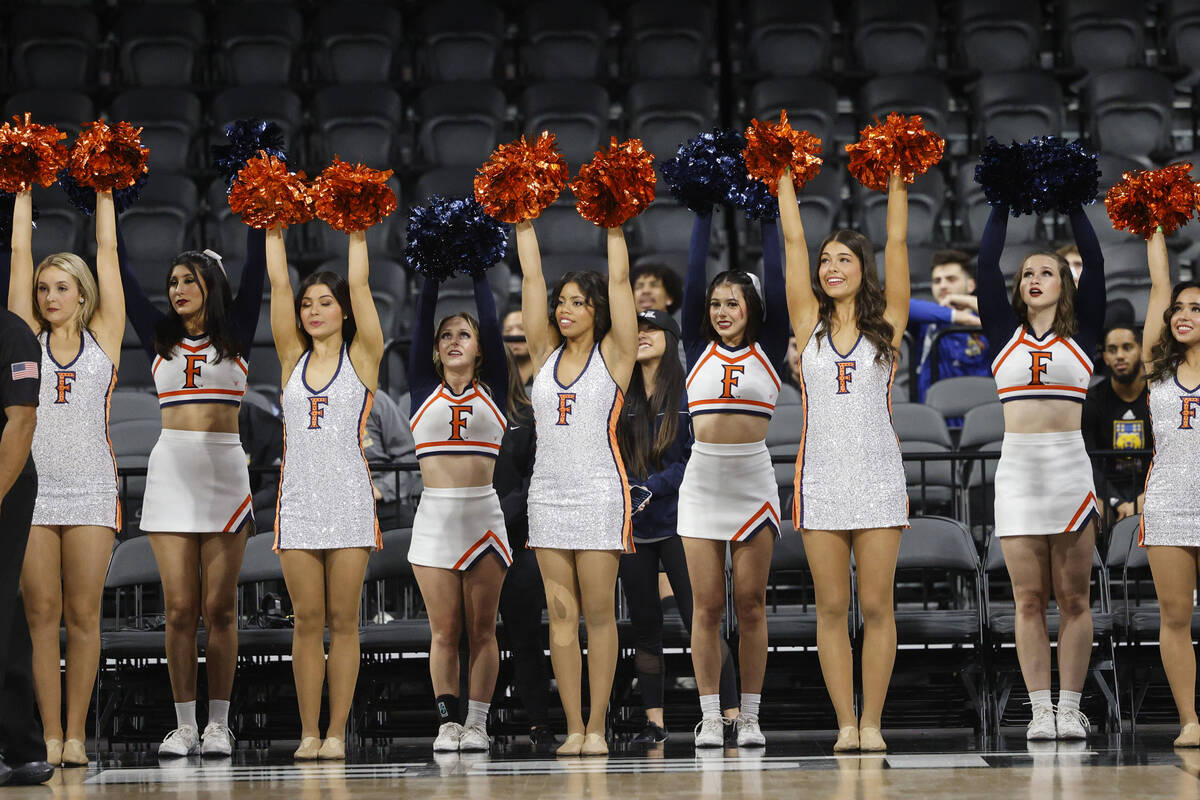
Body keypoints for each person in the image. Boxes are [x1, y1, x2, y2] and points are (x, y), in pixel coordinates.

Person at [118, 216, 267, 757]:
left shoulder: (239, 333)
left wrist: (261, 206)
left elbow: (256, 272)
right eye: (173, 282)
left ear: (210, 285)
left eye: (188, 280)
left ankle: (219, 724)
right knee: (180, 609)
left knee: (220, 608)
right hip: (172, 476)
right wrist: (107, 201)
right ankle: (183, 724)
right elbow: (123, 274)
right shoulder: (157, 337)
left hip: (225, 474)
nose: (177, 290)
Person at [779, 169, 911, 753]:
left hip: (879, 478)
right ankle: (845, 724)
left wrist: (900, 181)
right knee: (832, 608)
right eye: (826, 260)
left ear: (863, 269)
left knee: (877, 606)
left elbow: (900, 244)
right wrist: (784, 179)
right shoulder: (806, 325)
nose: (830, 267)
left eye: (843, 260)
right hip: (821, 480)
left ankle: (874, 722)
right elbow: (791, 244)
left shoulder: (888, 325)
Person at [976, 197, 1106, 742]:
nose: (1034, 278)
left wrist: (1075, 204)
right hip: (1020, 474)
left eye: (1047, 272)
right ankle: (1038, 709)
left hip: (1069, 469)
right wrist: (1001, 206)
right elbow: (985, 265)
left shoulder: (1083, 335)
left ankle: (1071, 705)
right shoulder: (1004, 334)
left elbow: (1097, 264)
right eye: (1028, 272)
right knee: (1028, 599)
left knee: (1074, 599)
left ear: (1064, 284)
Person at [6, 189, 122, 768]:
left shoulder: (105, 335)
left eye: (61, 287)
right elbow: (18, 252)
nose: (48, 296)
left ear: (82, 294)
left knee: (83, 616)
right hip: (33, 491)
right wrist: (22, 189)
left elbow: (107, 247)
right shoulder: (24, 336)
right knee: (39, 618)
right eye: (43, 289)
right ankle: (47, 736)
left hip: (92, 489)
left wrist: (105, 191)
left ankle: (76, 735)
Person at [515, 217, 638, 757]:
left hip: (598, 494)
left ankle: (597, 724)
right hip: (547, 496)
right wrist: (523, 218)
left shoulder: (615, 356)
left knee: (599, 613)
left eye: (577, 302)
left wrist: (614, 226)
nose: (564, 309)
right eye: (560, 301)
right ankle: (572, 726)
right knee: (560, 615)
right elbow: (530, 275)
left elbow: (620, 284)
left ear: (597, 311)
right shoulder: (543, 354)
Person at [266, 226, 384, 760]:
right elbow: (276, 284)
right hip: (298, 505)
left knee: (343, 621)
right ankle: (308, 731)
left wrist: (357, 230)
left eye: (325, 302)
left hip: (350, 502)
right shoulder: (290, 357)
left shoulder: (362, 358)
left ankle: (336, 732)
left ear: (343, 311)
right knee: (306, 622)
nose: (313, 311)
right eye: (308, 303)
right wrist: (271, 225)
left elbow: (361, 284)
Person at [676, 203, 785, 750]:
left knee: (750, 603)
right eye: (716, 304)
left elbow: (780, 271)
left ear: (752, 308)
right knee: (706, 605)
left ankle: (752, 715)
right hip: (702, 484)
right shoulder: (696, 348)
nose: (721, 311)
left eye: (732, 302)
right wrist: (703, 210)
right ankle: (711, 714)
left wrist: (767, 210)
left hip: (752, 482)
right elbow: (694, 276)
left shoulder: (770, 349)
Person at [616, 308, 738, 744]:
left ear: (671, 336)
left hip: (682, 520)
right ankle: (655, 721)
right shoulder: (618, 391)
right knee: (644, 625)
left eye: (651, 329)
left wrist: (652, 486)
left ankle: (731, 714)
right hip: (633, 524)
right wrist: (630, 489)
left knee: (700, 618)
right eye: (637, 328)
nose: (642, 335)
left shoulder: (687, 391)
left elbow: (695, 455)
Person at [405, 267, 511, 754]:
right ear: (434, 349)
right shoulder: (423, 387)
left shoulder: (495, 386)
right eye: (446, 335)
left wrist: (479, 269)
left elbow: (490, 321)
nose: (454, 340)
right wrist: (429, 272)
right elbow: (421, 315)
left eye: (464, 335)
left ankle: (477, 722)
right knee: (445, 630)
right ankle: (447, 721)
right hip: (435, 519)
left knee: (483, 629)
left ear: (480, 348)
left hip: (483, 518)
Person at [1136, 230, 1200, 747]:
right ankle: (1189, 720)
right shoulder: (1158, 368)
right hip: (1169, 504)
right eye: (1180, 309)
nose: (1182, 315)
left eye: (1196, 309)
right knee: (1176, 617)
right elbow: (1158, 284)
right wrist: (1155, 222)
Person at [0, 305, 55, 786]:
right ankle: (20, 744)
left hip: (6, 481)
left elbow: (21, 423)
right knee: (7, 614)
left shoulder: (12, 333)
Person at [494, 347, 557, 749]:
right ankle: (471, 721)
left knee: (526, 638)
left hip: (517, 539)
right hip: (465, 538)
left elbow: (533, 479)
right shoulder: (453, 411)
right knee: (470, 636)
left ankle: (540, 723)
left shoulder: (527, 415)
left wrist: (493, 519)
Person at [1082, 324, 1152, 526]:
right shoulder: (1093, 401)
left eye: (1127, 347)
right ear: (1105, 357)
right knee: (1093, 512)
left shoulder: (1158, 397)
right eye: (1112, 350)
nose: (1119, 356)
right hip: (1106, 490)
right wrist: (1118, 502)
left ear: (1140, 350)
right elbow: (1088, 461)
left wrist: (1144, 498)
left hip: (1152, 490)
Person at [908, 251, 989, 402]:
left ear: (971, 285)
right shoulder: (924, 321)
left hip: (982, 411)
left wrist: (970, 303)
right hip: (936, 413)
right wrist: (954, 316)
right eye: (937, 281)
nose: (943, 286)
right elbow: (897, 304)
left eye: (951, 279)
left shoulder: (986, 320)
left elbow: (1010, 317)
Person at [363, 390, 419, 530]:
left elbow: (410, 456)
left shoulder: (376, 400)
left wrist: (382, 489)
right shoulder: (312, 405)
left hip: (381, 503)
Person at [238, 400, 283, 534]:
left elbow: (273, 487)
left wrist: (242, 508)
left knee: (269, 519)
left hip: (255, 503)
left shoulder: (269, 428)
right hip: (212, 504)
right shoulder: (198, 426)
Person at [501, 308, 535, 387]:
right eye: (508, 330)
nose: (514, 334)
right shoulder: (496, 377)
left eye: (522, 328)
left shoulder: (549, 373)